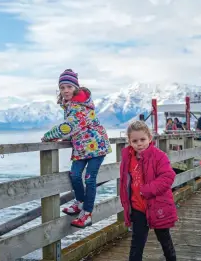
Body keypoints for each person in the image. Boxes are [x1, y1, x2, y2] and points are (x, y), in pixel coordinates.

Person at [41, 69, 112, 228]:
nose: (65, 90)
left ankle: (87, 214)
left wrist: (49, 135)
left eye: (69, 87)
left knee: (89, 178)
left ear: (76, 88)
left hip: (97, 147)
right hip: (81, 147)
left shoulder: (80, 106)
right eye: (62, 87)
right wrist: (61, 136)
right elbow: (75, 128)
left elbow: (69, 126)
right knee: (74, 175)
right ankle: (79, 202)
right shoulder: (69, 105)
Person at [119, 120, 178, 261]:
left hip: (158, 205)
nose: (139, 143)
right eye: (134, 141)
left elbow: (168, 177)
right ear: (129, 141)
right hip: (138, 206)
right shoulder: (127, 158)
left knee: (164, 239)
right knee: (137, 242)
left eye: (142, 139)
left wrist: (145, 190)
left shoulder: (159, 156)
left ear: (150, 138)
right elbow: (125, 182)